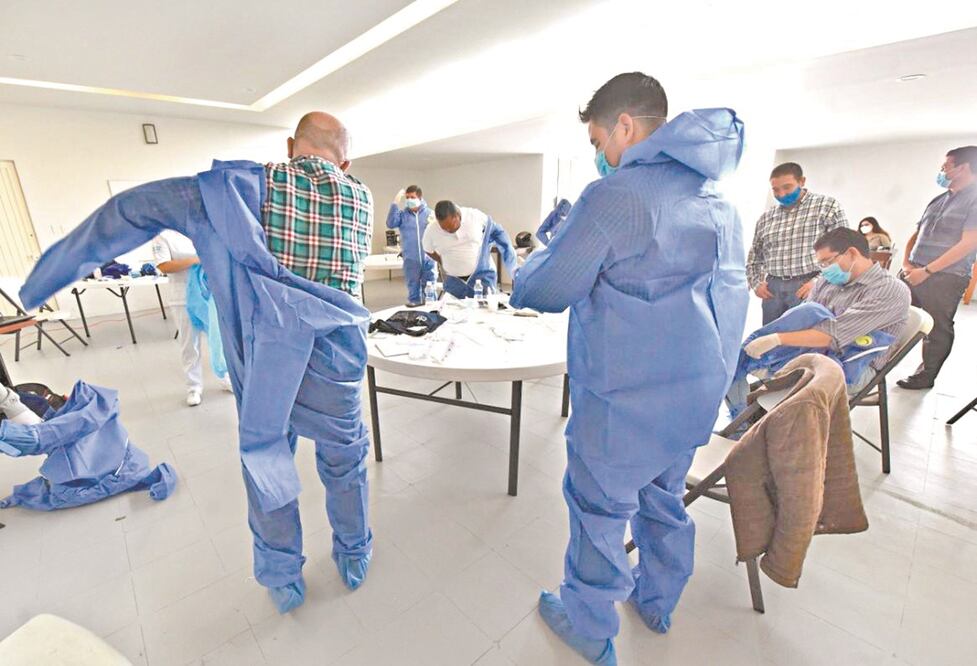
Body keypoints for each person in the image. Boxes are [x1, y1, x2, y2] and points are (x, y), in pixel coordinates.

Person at [19, 111, 375, 616]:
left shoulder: (236, 192)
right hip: (337, 366)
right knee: (346, 462)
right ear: (347, 161)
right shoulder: (361, 198)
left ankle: (282, 577)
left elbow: (130, 209)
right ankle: (353, 551)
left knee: (266, 458)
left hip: (268, 366)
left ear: (291, 144)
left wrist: (41, 284)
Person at [509, 72, 748, 665]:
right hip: (694, 392)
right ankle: (658, 600)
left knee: (598, 508)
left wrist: (548, 248)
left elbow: (545, 289)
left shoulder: (619, 195)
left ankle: (589, 626)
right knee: (662, 499)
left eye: (597, 140)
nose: (599, 155)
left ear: (625, 126)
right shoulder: (717, 198)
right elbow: (732, 296)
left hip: (627, 396)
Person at [732, 228, 910, 409]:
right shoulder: (827, 281)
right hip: (815, 351)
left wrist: (776, 339)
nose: (825, 269)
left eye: (827, 261)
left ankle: (761, 410)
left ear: (851, 253)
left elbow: (833, 335)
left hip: (853, 366)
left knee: (810, 313)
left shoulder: (890, 290)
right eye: (821, 264)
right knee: (735, 361)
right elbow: (803, 321)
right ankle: (744, 415)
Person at [896, 145, 977, 390]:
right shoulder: (939, 199)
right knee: (893, 315)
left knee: (937, 328)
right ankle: (877, 362)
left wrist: (928, 271)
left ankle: (925, 375)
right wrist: (907, 264)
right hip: (913, 271)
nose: (941, 171)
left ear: (963, 167)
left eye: (946, 166)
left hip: (945, 277)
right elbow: (917, 233)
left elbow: (970, 242)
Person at [747, 162, 849, 324]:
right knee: (769, 340)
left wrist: (819, 282)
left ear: (802, 181)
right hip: (773, 289)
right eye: (776, 190)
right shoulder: (766, 218)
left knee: (802, 341)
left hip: (808, 285)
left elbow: (843, 253)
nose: (781, 194)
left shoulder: (827, 207)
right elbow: (754, 257)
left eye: (787, 187)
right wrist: (756, 284)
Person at [152, 231, 232, 406]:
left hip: (208, 295)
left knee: (218, 340)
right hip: (182, 298)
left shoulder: (199, 230)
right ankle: (194, 387)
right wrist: (197, 260)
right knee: (190, 344)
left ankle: (225, 376)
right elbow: (164, 266)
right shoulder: (163, 236)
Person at [423, 200, 516, 298]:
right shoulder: (431, 230)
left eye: (452, 226)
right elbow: (428, 249)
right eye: (444, 229)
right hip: (454, 283)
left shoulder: (474, 216)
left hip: (481, 279)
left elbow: (498, 233)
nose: (449, 231)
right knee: (451, 311)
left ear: (457, 215)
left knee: (483, 310)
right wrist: (442, 261)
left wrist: (511, 263)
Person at [386, 185, 436, 306]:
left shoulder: (430, 214)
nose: (409, 200)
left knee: (429, 290)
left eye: (412, 197)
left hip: (428, 258)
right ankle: (414, 311)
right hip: (410, 259)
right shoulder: (403, 215)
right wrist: (395, 203)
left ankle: (432, 311)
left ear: (419, 197)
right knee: (413, 288)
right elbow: (390, 223)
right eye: (407, 198)